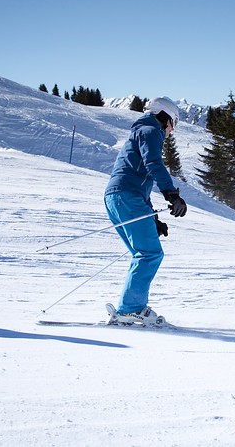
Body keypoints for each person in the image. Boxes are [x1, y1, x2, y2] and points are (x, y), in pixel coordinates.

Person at [104, 96, 187, 325]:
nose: (171, 131)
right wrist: (171, 193)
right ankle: (131, 309)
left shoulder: (141, 131)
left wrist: (153, 219)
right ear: (165, 117)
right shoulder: (151, 130)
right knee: (150, 254)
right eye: (173, 124)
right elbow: (153, 163)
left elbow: (140, 184)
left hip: (118, 197)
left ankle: (129, 308)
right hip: (127, 197)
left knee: (143, 253)